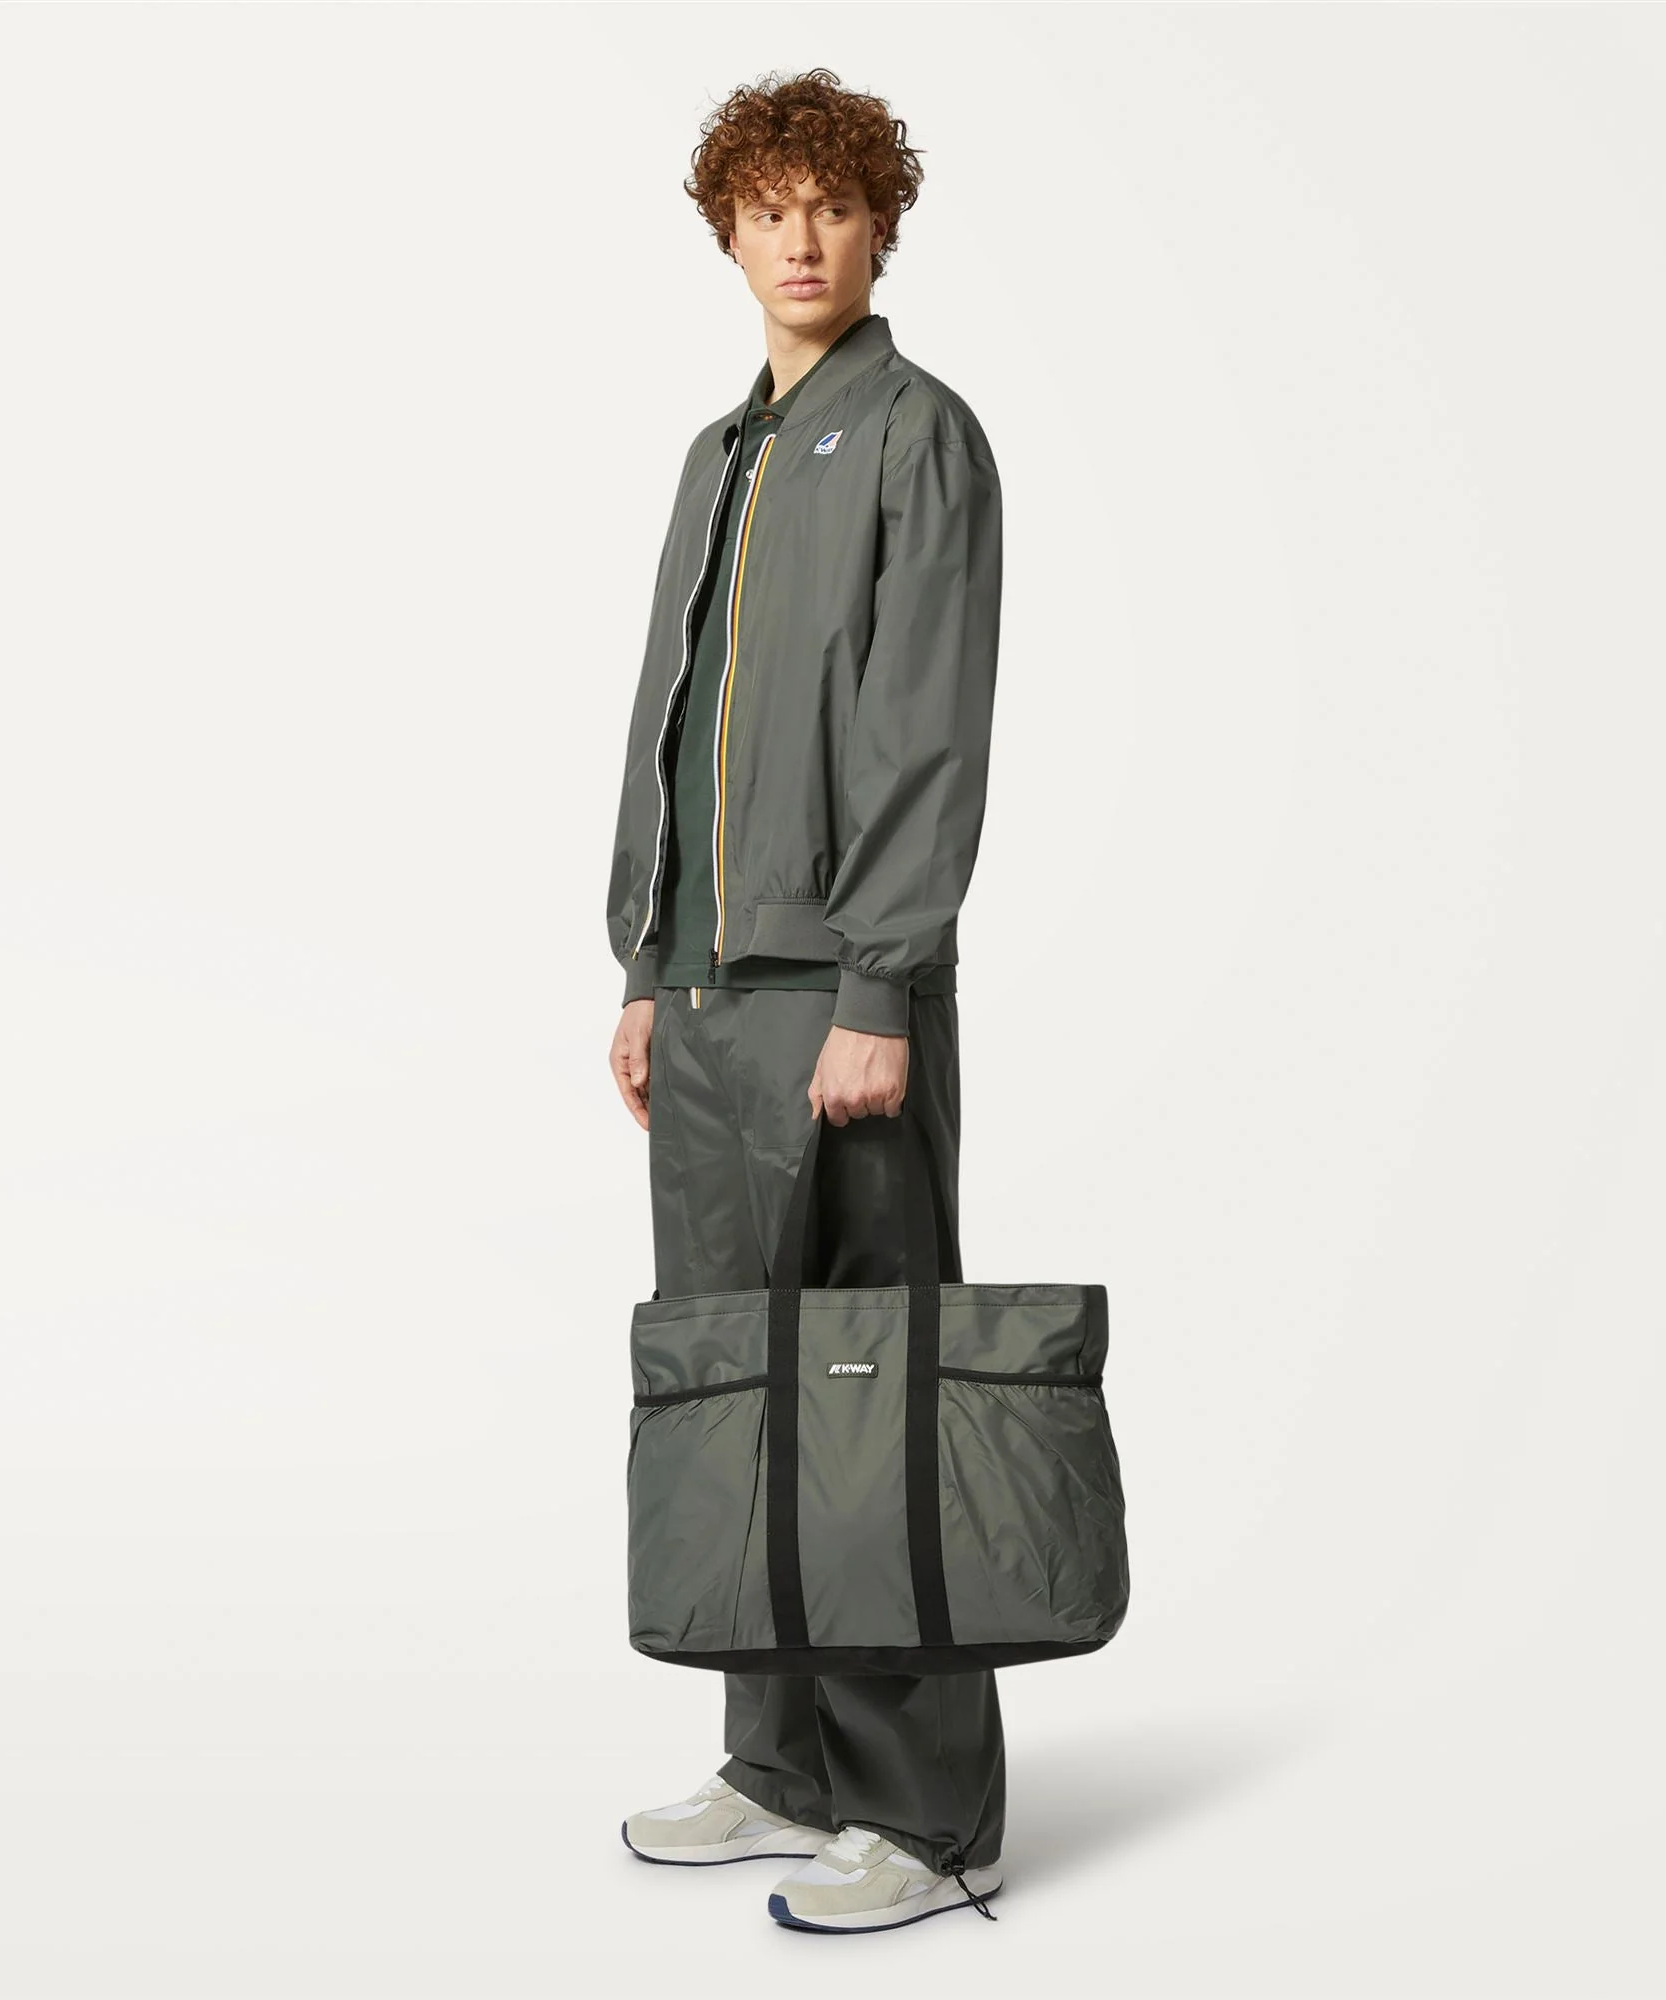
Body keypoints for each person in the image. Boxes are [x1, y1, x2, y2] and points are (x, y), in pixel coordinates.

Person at [603, 68, 1005, 1934]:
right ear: (727, 232)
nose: (800, 239)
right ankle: (780, 1765)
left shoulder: (919, 437)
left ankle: (926, 1817)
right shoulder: (722, 455)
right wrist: (642, 961)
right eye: (767, 208)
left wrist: (880, 981)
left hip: (839, 999)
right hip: (703, 1000)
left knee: (863, 1396)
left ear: (878, 225)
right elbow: (670, 721)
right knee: (737, 1394)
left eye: (832, 205)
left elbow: (923, 732)